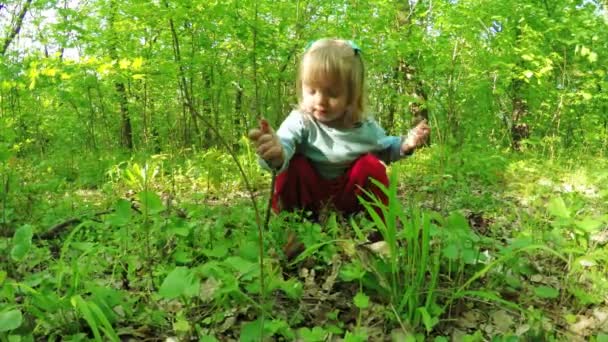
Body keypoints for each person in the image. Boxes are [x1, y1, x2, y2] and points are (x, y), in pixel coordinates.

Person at [249, 38, 430, 222]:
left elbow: (385, 149)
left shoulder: (363, 126)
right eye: (312, 90)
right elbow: (285, 144)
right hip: (308, 199)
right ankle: (290, 224)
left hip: (348, 200)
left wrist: (406, 144)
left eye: (333, 93)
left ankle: (376, 232)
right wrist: (276, 154)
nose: (320, 100)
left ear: (352, 95)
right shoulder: (301, 120)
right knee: (295, 165)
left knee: (371, 166)